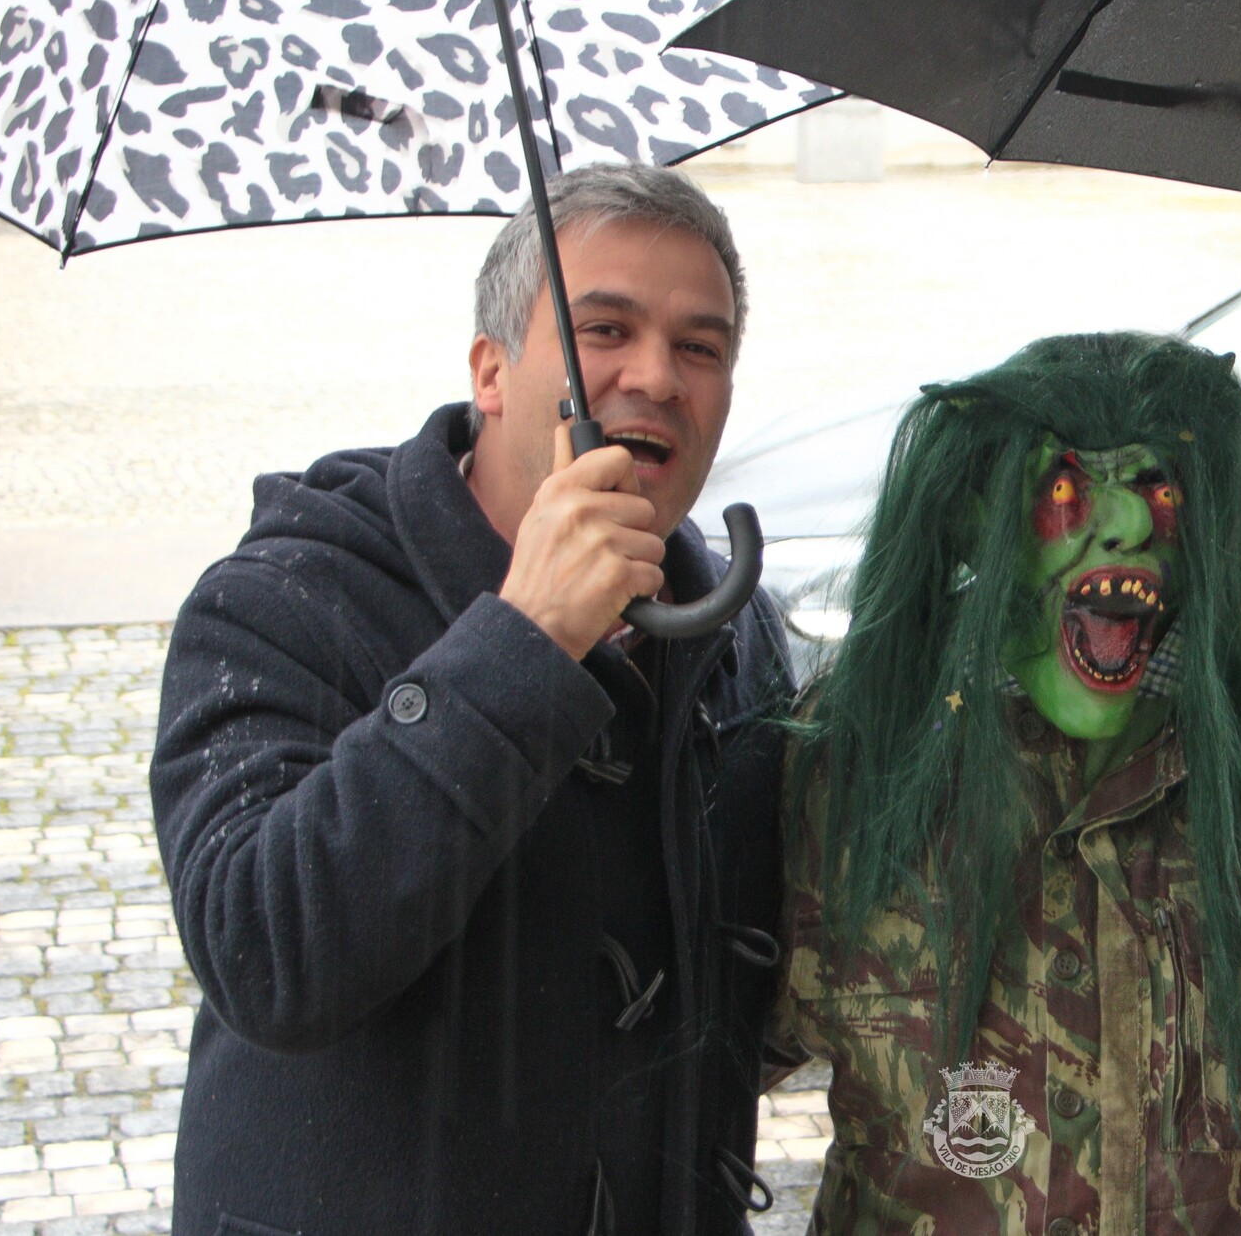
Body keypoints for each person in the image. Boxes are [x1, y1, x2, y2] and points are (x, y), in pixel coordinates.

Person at [150, 164, 790, 1236]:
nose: (656, 376)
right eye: (605, 330)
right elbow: (265, 954)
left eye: (700, 347)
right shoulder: (286, 597)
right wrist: (525, 639)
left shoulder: (732, 629)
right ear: (491, 373)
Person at [778, 331, 1241, 1235]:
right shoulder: (849, 762)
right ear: (975, 515)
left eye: (1159, 488)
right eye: (1063, 489)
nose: (1126, 523)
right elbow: (707, 1046)